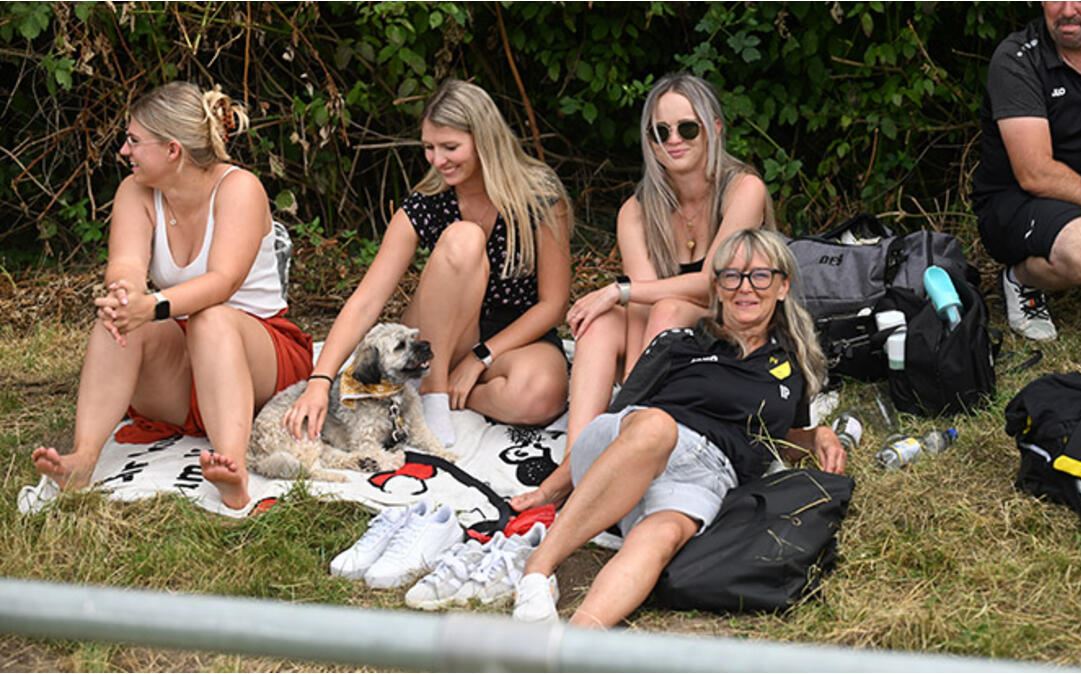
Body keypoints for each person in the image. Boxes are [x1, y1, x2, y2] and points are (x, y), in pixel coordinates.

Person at [511, 228, 847, 627]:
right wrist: (550, 490)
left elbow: (775, 436)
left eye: (760, 276)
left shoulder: (790, 367)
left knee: (666, 534)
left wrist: (817, 436)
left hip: (708, 475)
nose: (745, 288)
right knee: (656, 427)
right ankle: (537, 570)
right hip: (632, 446)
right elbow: (624, 416)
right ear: (718, 287)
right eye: (732, 276)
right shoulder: (684, 343)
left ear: (781, 286)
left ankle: (575, 642)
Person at [31, 82, 314, 510]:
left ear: (173, 150)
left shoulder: (240, 188)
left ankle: (231, 467)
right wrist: (126, 297)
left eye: (134, 141)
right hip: (187, 370)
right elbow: (125, 265)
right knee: (117, 322)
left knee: (210, 318)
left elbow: (223, 282)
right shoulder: (135, 192)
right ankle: (84, 458)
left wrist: (155, 305)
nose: (124, 152)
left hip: (261, 359)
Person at [510, 73, 773, 513]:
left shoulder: (744, 189)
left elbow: (715, 281)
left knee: (662, 305)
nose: (674, 140)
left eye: (687, 128)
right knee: (600, 322)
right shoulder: (636, 210)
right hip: (662, 336)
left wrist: (619, 290)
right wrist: (634, 360)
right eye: (660, 131)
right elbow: (638, 308)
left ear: (714, 129)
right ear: (649, 141)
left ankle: (603, 452)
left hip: (729, 326)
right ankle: (582, 461)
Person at [283, 80, 572, 449]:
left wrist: (480, 359)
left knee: (541, 395)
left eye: (450, 147)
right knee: (464, 238)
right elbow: (367, 300)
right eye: (429, 148)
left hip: (513, 337)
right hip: (442, 329)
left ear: (485, 140)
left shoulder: (540, 199)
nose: (438, 160)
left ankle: (439, 389)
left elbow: (554, 304)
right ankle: (433, 388)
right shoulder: (428, 202)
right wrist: (320, 380)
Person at [972, 1, 1081, 341]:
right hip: (1018, 199)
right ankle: (1022, 280)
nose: (1066, 10)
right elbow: (1036, 173)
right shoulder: (1017, 59)